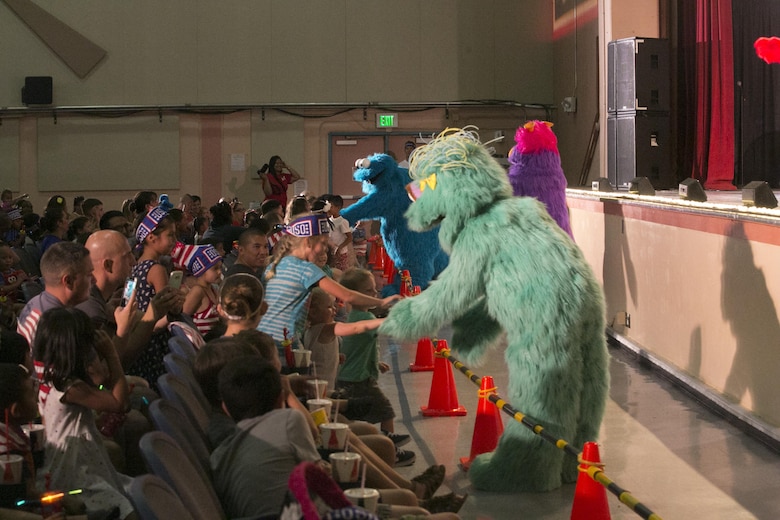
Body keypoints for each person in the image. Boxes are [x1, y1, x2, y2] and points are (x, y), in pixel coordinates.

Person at [33, 307, 137, 519]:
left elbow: (101, 378)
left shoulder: (56, 377)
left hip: (74, 461)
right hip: (74, 473)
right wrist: (110, 352)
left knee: (131, 492)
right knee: (127, 512)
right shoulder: (71, 389)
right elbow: (120, 403)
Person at [258, 213, 400, 362]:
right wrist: (381, 302)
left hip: (264, 340)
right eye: (323, 243)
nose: (325, 249)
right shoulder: (306, 270)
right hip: (284, 344)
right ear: (308, 242)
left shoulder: (274, 265)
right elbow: (348, 296)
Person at [336, 268, 404, 442]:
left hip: (346, 379)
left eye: (374, 289)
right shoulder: (364, 317)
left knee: (351, 417)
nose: (374, 293)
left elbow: (357, 349)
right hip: (361, 381)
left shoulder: (353, 317)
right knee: (386, 411)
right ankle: (389, 443)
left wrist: (376, 362)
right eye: (368, 291)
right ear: (354, 295)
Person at [128, 206, 177, 388]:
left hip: (137, 341)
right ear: (151, 237)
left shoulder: (135, 267)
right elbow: (163, 312)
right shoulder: (156, 270)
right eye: (170, 235)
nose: (175, 240)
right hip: (154, 345)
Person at [304, 288, 383, 391]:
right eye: (329, 307)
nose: (334, 309)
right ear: (313, 312)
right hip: (323, 390)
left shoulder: (309, 331)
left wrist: (335, 357)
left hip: (318, 387)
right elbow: (355, 328)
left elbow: (320, 355)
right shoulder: (326, 329)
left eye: (333, 305)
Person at [181, 244, 224, 338]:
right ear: (201, 270)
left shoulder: (213, 289)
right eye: (215, 269)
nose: (219, 272)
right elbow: (183, 318)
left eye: (220, 268)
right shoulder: (198, 291)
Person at [325, 195, 356, 271]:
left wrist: (340, 247)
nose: (329, 209)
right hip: (331, 251)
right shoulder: (328, 220)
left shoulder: (342, 222)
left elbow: (349, 237)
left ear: (338, 208)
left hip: (340, 253)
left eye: (331, 206)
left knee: (340, 272)